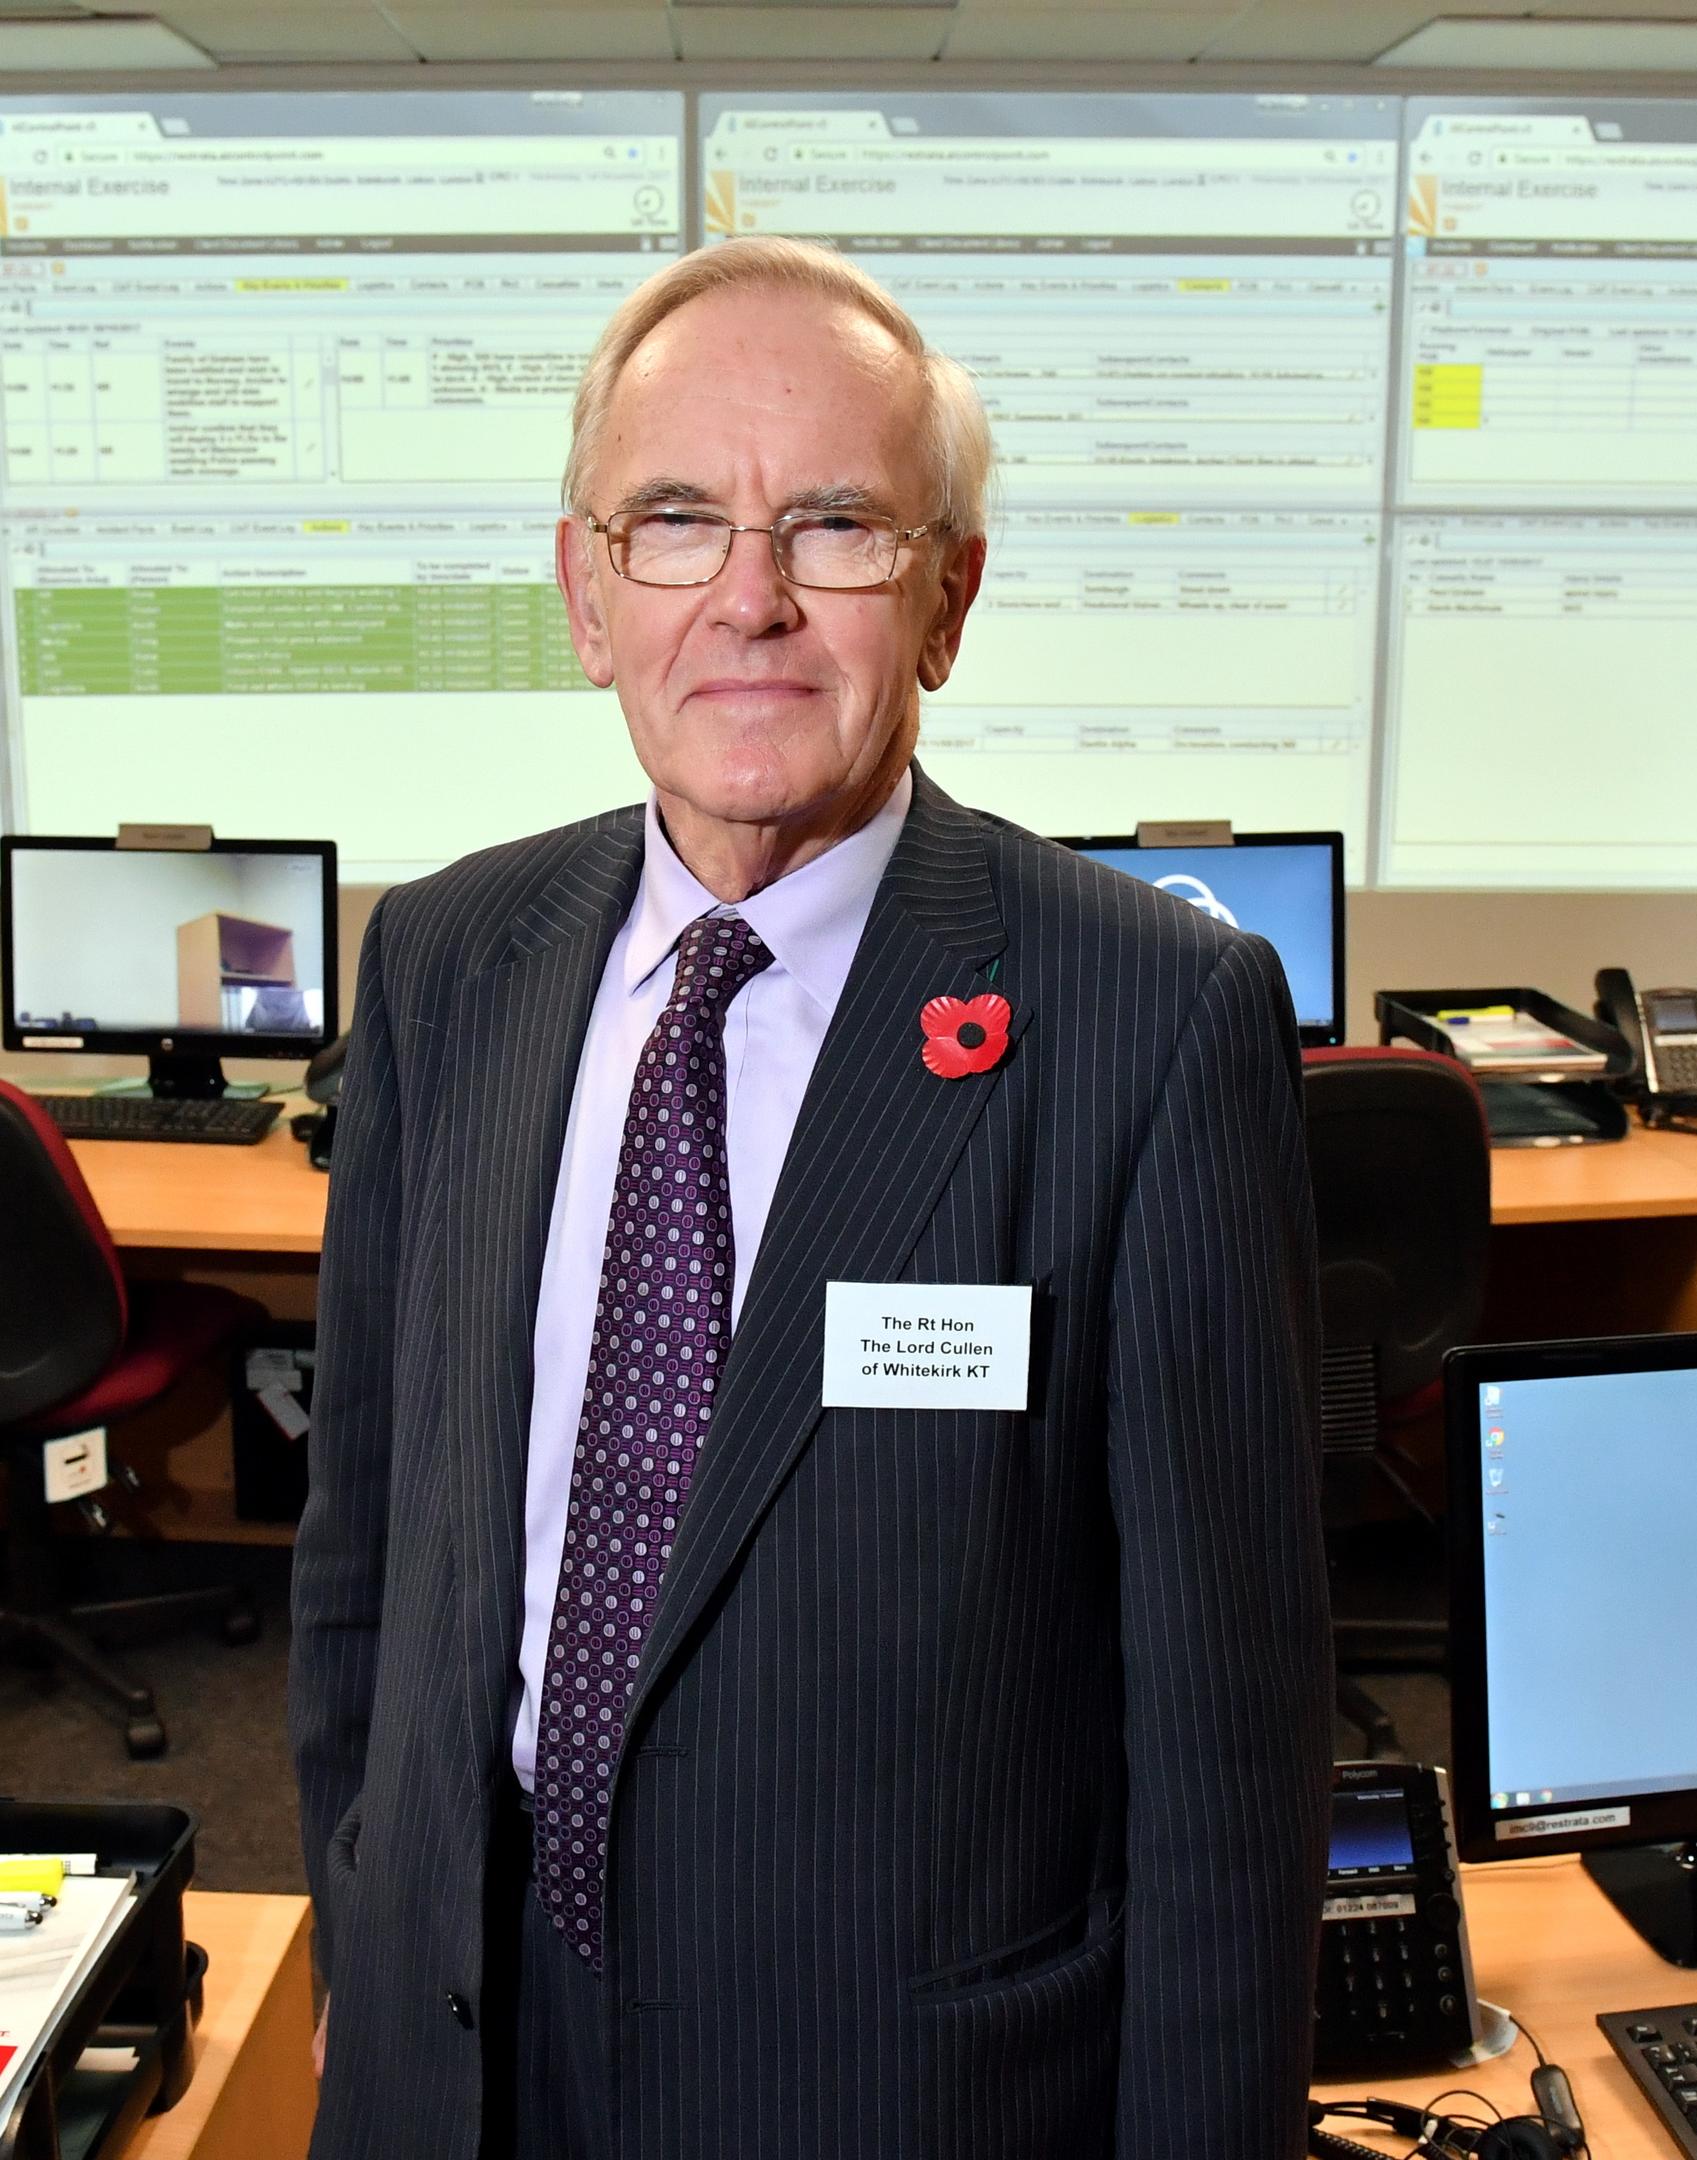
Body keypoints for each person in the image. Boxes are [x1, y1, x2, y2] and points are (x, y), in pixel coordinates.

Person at [291, 235, 1330, 2160]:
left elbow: (1227, 1744)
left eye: (836, 527)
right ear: (586, 595)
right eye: (675, 522)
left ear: (945, 600)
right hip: (465, 2055)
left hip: (898, 2087)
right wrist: (374, 1950)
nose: (749, 599)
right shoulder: (447, 958)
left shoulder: (1151, 1015)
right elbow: (369, 1549)